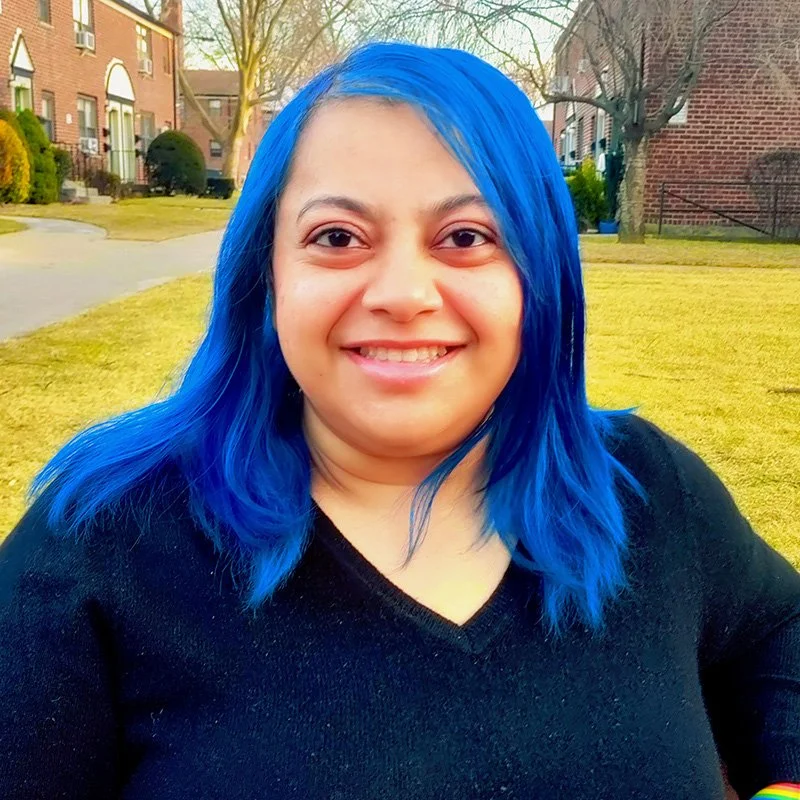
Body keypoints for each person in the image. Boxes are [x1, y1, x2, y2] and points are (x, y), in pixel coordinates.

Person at [1, 42, 798, 800]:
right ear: (266, 275)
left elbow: (778, 636)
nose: (403, 293)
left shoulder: (644, 492)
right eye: (338, 237)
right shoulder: (101, 546)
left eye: (466, 237)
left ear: (539, 276)